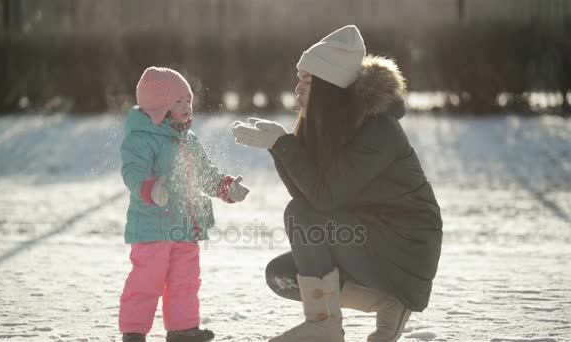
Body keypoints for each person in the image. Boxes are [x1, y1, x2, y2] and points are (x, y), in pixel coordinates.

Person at [231, 25, 442, 342]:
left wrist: (284, 145)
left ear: (329, 88)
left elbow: (321, 200)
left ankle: (324, 326)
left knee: (300, 217)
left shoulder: (378, 131)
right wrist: (278, 145)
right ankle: (388, 302)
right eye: (298, 80)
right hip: (367, 236)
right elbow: (309, 196)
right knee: (283, 276)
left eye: (307, 82)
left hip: (405, 246)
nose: (297, 90)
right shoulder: (334, 126)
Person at [119, 66, 250, 342]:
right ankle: (133, 332)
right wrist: (150, 188)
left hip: (185, 227)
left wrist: (226, 187)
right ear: (159, 107)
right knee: (147, 280)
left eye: (188, 100)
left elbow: (204, 175)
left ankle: (183, 329)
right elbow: (133, 171)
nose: (187, 107)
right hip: (152, 227)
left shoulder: (188, 140)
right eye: (178, 101)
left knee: (186, 280)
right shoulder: (142, 138)